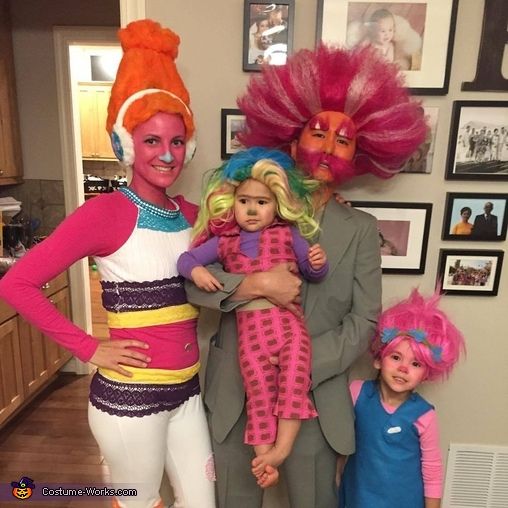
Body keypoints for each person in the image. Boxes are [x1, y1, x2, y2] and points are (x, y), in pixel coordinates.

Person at [185, 44, 427, 508]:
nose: (329, 148)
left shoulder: (360, 230)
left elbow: (365, 321)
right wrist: (253, 286)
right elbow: (192, 282)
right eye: (318, 134)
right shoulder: (244, 208)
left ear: (357, 155)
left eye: (344, 139)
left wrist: (297, 368)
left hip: (315, 398)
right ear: (293, 144)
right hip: (237, 391)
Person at [0, 20, 216, 508]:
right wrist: (88, 347)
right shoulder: (104, 212)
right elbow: (18, 283)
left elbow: (236, 266)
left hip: (187, 392)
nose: (167, 154)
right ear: (126, 144)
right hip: (130, 400)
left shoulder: (192, 215)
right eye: (152, 140)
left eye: (177, 141)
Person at [178, 147, 328, 489]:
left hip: (290, 330)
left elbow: (313, 273)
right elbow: (185, 261)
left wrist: (318, 262)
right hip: (251, 336)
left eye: (262, 202)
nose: (252, 209)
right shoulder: (223, 242)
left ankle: (280, 451)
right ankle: (265, 460)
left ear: (276, 205)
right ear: (232, 202)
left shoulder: (289, 235)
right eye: (244, 201)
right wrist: (198, 270)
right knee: (259, 394)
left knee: (293, 386)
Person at [338, 289, 465, 508]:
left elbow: (432, 469)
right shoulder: (356, 392)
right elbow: (337, 439)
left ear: (426, 374)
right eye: (396, 357)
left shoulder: (424, 415)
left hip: (404, 500)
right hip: (359, 496)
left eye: (416, 364)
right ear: (378, 359)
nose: (403, 368)